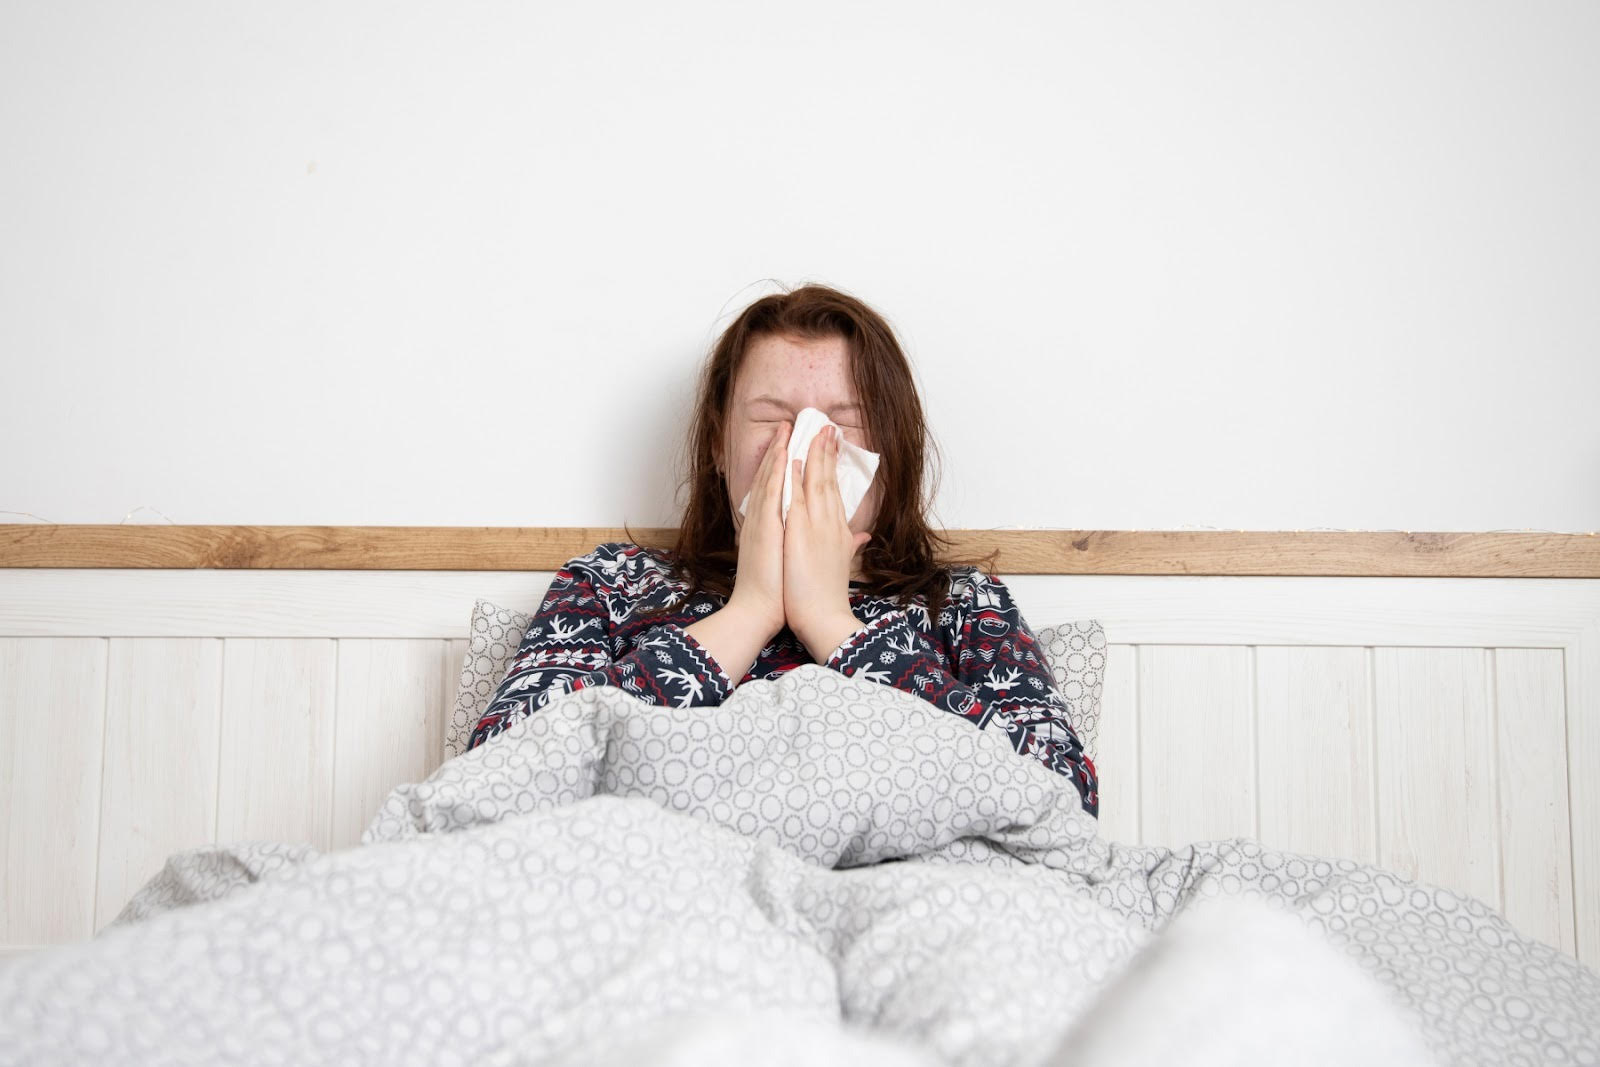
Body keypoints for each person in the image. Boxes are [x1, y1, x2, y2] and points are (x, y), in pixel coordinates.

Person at [465, 283, 1098, 817]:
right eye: (772, 418)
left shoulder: (961, 603)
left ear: (891, 454)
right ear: (719, 444)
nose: (804, 446)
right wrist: (751, 611)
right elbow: (495, 773)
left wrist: (830, 622)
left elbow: (1063, 793)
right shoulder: (611, 583)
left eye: (842, 423)